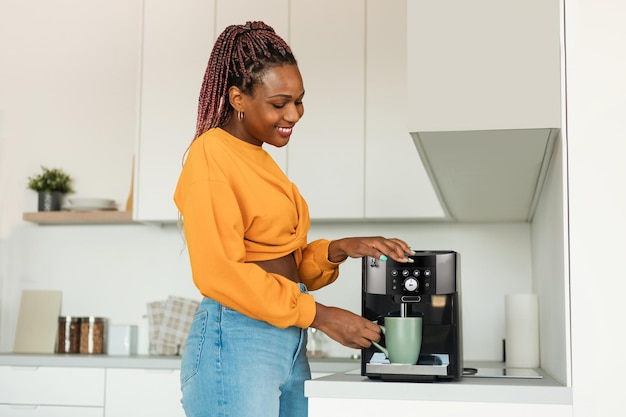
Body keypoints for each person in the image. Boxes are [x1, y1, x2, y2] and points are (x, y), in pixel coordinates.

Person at [174, 21, 415, 417]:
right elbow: (220, 272)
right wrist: (321, 316)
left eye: (299, 101)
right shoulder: (211, 155)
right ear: (238, 98)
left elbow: (285, 263)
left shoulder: (263, 162)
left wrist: (340, 249)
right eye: (279, 103)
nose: (294, 114)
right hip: (236, 336)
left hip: (286, 336)